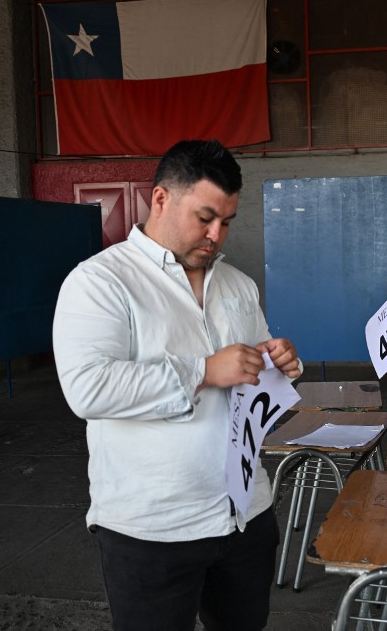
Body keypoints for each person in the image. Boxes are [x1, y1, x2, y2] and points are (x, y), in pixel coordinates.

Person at [52, 139, 302, 631]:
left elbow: (251, 371)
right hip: (153, 528)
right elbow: (88, 388)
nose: (216, 235)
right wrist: (205, 370)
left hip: (246, 513)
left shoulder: (237, 284)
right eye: (205, 217)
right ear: (161, 198)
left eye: (227, 221)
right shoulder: (101, 282)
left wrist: (279, 363)